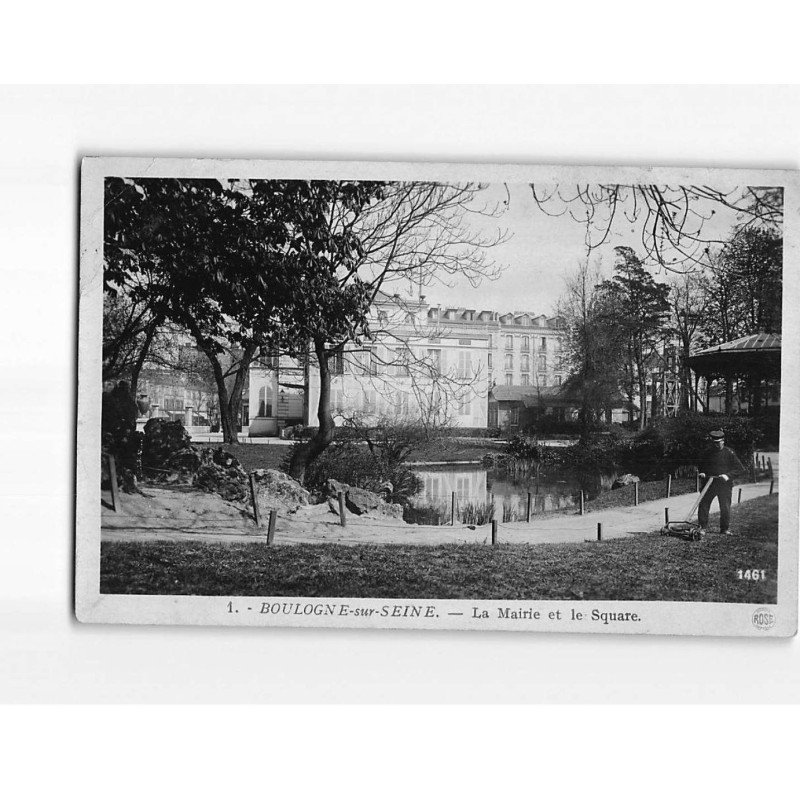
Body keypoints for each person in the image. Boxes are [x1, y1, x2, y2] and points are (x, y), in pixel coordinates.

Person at [697, 430, 746, 536]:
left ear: (723, 441)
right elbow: (701, 465)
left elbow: (740, 469)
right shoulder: (708, 453)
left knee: (725, 507)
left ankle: (724, 529)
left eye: (718, 442)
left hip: (724, 485)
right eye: (714, 443)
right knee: (704, 505)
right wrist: (702, 472)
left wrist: (728, 475)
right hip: (709, 484)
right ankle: (702, 528)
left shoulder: (729, 453)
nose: (716, 445)